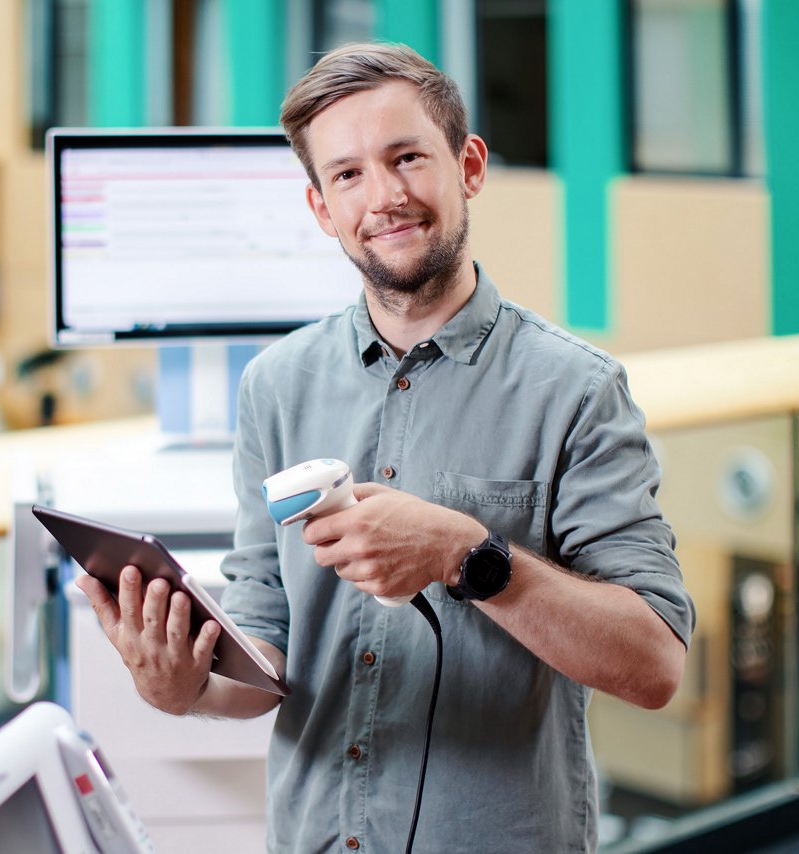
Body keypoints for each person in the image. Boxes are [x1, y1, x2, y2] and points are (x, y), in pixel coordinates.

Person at [77, 42, 695, 852]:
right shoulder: (275, 386)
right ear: (319, 207)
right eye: (349, 174)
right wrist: (184, 684)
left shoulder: (576, 392)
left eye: (408, 158)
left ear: (469, 165)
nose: (386, 198)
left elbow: (654, 665)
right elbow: (266, 656)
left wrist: (466, 553)